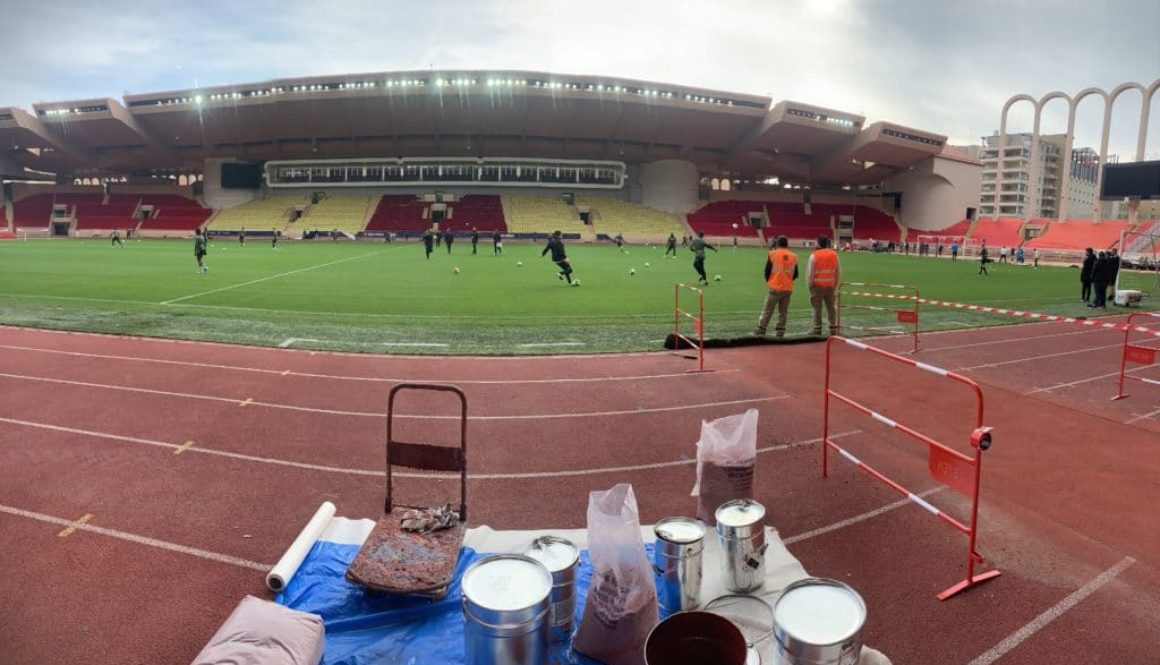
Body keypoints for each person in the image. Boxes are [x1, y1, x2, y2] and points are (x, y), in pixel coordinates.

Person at [754, 236, 798, 338]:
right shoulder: (793, 256)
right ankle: (780, 331)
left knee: (768, 309)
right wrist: (787, 281)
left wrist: (769, 282)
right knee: (783, 311)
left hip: (774, 286)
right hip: (787, 288)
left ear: (777, 244)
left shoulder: (772, 254)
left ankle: (761, 328)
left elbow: (767, 271)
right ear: (787, 244)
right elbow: (795, 274)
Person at [807, 235, 840, 336]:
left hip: (817, 286)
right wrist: (835, 284)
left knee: (817, 308)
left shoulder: (814, 255)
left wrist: (810, 284)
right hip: (830, 285)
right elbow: (837, 271)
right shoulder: (834, 255)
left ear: (818, 243)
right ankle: (833, 329)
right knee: (831, 308)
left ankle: (817, 329)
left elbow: (810, 273)